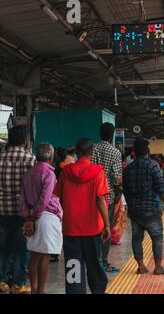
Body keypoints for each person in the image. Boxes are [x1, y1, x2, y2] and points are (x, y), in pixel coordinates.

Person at [54, 138, 110, 294]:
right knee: (94, 264)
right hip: (92, 227)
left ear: (77, 153)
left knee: (73, 265)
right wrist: (107, 224)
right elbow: (100, 199)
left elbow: (60, 197)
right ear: (91, 153)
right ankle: (98, 290)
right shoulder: (98, 172)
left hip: (71, 227)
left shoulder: (65, 172)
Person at [123, 139, 164, 275]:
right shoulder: (153, 166)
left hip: (135, 211)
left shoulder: (128, 169)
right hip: (151, 209)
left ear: (134, 152)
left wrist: (131, 205)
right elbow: (161, 189)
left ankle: (141, 266)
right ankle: (158, 267)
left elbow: (125, 191)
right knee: (157, 237)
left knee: (137, 238)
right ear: (147, 152)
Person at [19, 143, 62, 294]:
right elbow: (45, 199)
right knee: (44, 255)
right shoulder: (49, 174)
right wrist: (35, 215)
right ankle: (41, 290)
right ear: (50, 157)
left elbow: (22, 198)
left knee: (34, 255)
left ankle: (34, 290)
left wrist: (28, 218)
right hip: (46, 217)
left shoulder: (29, 173)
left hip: (31, 217)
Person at [0, 126, 36, 294]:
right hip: (23, 212)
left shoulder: (0, 159)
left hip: (2, 210)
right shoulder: (30, 159)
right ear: (24, 140)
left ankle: (2, 281)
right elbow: (33, 188)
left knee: (3, 247)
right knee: (22, 248)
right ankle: (18, 283)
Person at [92, 123, 122, 273]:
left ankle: (92, 259)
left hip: (90, 196)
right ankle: (102, 261)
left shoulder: (92, 149)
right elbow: (117, 178)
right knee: (105, 228)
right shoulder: (115, 152)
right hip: (106, 197)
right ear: (112, 136)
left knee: (92, 228)